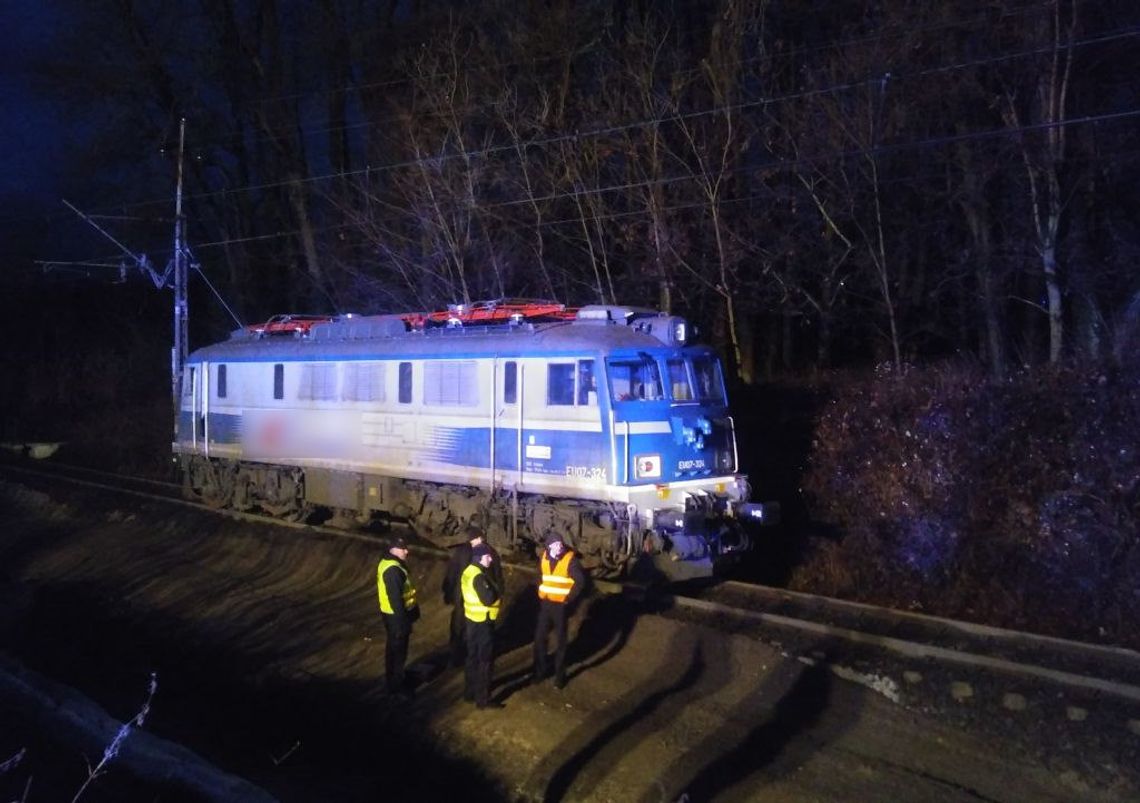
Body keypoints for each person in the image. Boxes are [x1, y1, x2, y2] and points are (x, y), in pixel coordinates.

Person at [532, 531, 586, 689]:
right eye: (555, 545)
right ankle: (539, 672)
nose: (558, 548)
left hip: (560, 607)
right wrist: (540, 590)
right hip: (546, 604)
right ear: (548, 547)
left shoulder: (570, 561)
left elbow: (580, 582)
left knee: (561, 641)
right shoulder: (544, 559)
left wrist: (568, 599)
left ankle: (559, 677)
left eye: (560, 544)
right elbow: (538, 576)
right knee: (539, 639)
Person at [443, 523, 503, 666]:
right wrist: (498, 595)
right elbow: (498, 577)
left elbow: (451, 574)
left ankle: (456, 659)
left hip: (462, 599)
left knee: (458, 628)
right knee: (481, 635)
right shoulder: (491, 553)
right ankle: (479, 660)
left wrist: (448, 593)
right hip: (482, 605)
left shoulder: (461, 552)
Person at [377, 536, 419, 698]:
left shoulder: (388, 563)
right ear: (393, 550)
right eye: (403, 549)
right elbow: (396, 599)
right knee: (398, 652)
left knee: (394, 650)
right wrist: (404, 622)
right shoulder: (393, 570)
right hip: (397, 618)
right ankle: (396, 686)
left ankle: (395, 680)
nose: (407, 551)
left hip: (393, 615)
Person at [461, 544, 502, 708]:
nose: (490, 559)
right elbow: (488, 598)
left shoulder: (468, 572)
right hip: (483, 623)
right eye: (488, 557)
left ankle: (469, 692)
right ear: (480, 558)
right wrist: (496, 592)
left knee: (472, 658)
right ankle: (483, 699)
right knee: (485, 661)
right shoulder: (479, 576)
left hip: (471, 620)